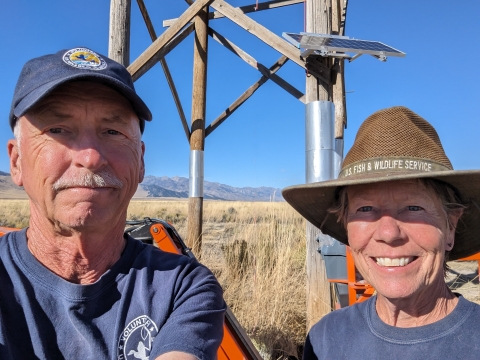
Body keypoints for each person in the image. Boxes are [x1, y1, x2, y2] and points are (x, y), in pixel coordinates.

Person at [2, 47, 225, 359]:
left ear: (141, 162)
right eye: (58, 130)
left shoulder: (181, 287)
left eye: (112, 131)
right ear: (16, 161)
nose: (90, 157)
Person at [283, 106, 480, 359]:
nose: (388, 233)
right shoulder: (325, 339)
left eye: (413, 207)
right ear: (346, 225)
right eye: (365, 209)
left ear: (450, 226)